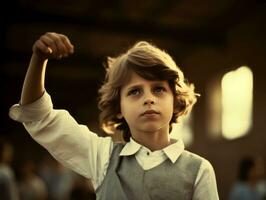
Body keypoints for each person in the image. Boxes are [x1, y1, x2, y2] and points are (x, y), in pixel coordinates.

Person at [9, 32, 219, 199]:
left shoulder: (199, 170)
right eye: (135, 91)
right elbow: (38, 116)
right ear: (119, 107)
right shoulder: (102, 157)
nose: (149, 98)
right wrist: (38, 60)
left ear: (175, 101)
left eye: (158, 89)